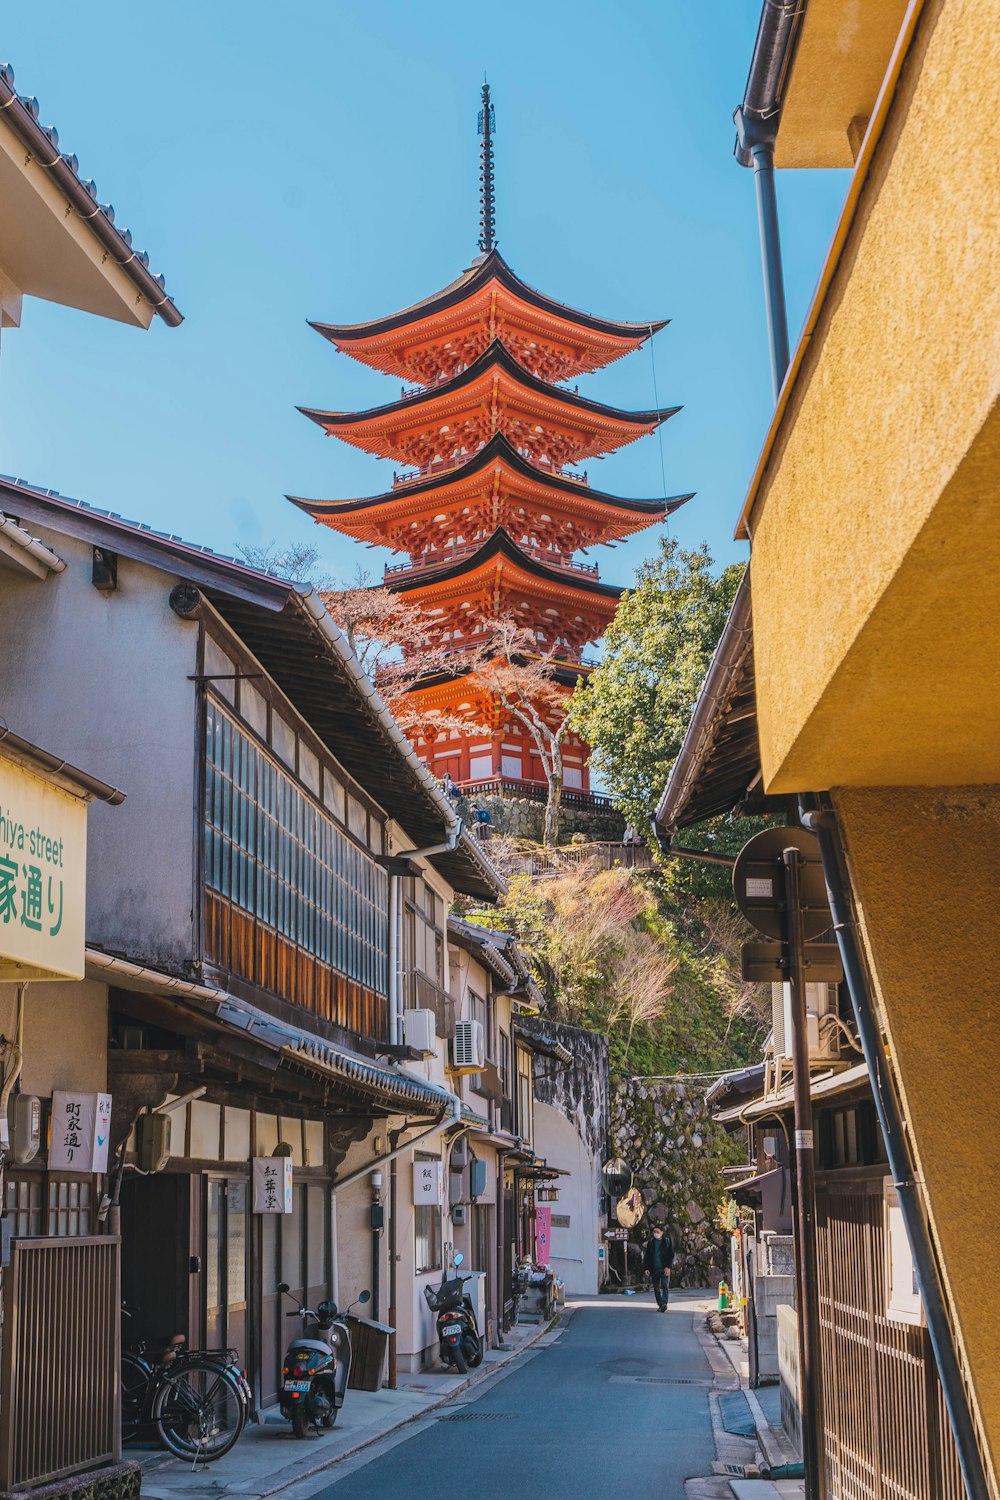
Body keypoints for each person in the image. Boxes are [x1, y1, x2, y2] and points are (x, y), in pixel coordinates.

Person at [643, 1225, 674, 1312]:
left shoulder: (667, 1241)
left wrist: (668, 1267)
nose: (655, 1234)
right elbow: (647, 1256)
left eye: (657, 1232)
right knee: (656, 1288)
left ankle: (664, 1303)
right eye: (654, 1232)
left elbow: (671, 1255)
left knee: (665, 1286)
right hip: (654, 1269)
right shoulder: (651, 1242)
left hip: (664, 1268)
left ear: (662, 1232)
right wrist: (646, 1268)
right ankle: (660, 1304)